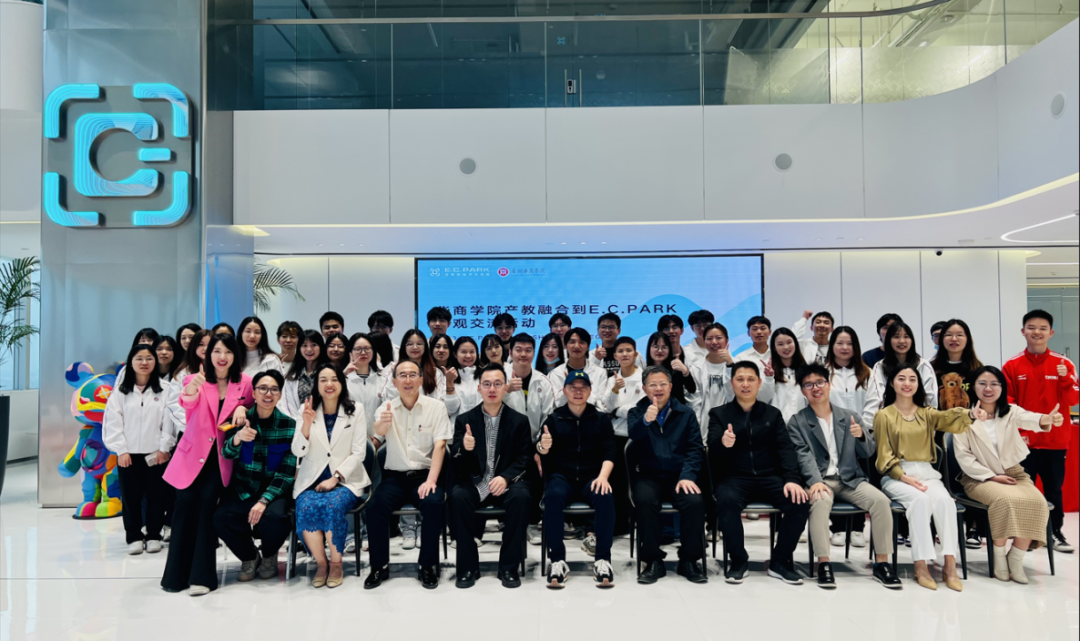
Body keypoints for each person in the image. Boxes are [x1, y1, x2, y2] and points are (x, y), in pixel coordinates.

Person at [786, 364, 900, 589]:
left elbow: (867, 452)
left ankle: (882, 563)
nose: (815, 388)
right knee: (819, 500)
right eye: (808, 385)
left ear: (829, 385)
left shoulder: (850, 416)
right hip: (820, 480)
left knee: (881, 501)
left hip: (850, 479)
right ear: (802, 390)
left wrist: (861, 437)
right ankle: (824, 563)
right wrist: (815, 482)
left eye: (820, 382)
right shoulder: (797, 422)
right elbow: (802, 455)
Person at [874, 365, 984, 591]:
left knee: (945, 502)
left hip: (927, 474)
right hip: (896, 475)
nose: (907, 383)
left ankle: (950, 566)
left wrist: (971, 414)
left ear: (918, 384)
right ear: (892, 383)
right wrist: (903, 477)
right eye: (901, 378)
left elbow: (947, 418)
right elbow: (883, 455)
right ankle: (921, 565)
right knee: (920, 501)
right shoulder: (883, 415)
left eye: (912, 379)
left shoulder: (927, 413)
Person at [954, 365, 1064, 583]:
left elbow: (1030, 418)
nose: (988, 388)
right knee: (1004, 500)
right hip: (979, 477)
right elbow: (964, 457)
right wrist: (992, 477)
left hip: (1013, 473)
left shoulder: (1011, 411)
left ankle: (1016, 556)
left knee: (1037, 501)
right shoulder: (963, 416)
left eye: (994, 384)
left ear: (1002, 387)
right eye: (982, 383)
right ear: (973, 387)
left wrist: (1047, 419)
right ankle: (998, 557)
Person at [161, 333, 252, 596]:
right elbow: (187, 407)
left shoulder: (244, 383)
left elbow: (251, 408)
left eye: (228, 352)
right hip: (191, 456)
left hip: (220, 459)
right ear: (208, 354)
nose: (222, 357)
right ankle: (175, 576)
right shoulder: (194, 379)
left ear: (235, 355)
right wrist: (191, 389)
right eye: (217, 351)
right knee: (184, 505)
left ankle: (202, 577)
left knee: (205, 506)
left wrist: (243, 409)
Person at [709, 361, 809, 586]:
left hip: (769, 477)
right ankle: (738, 561)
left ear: (759, 383)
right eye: (740, 379)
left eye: (750, 379)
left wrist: (792, 480)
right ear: (732, 383)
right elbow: (712, 452)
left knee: (799, 502)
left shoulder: (772, 414)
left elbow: (785, 450)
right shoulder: (719, 414)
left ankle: (780, 561)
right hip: (734, 477)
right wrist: (723, 443)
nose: (745, 384)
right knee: (726, 501)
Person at [365, 361, 453, 590]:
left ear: (421, 380)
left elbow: (441, 445)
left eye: (413, 375)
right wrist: (382, 424)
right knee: (375, 506)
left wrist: (431, 480)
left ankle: (427, 565)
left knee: (433, 504)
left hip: (425, 475)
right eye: (402, 375)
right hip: (394, 477)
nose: (408, 380)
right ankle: (379, 566)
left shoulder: (436, 407)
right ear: (394, 382)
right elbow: (378, 433)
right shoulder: (386, 408)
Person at [449, 363, 533, 589]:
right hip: (476, 482)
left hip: (506, 483)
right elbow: (455, 459)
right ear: (479, 388)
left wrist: (505, 478)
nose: (492, 389)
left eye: (497, 384)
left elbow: (525, 458)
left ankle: (508, 567)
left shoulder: (519, 421)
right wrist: (464, 447)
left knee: (521, 497)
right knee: (458, 496)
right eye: (487, 384)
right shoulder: (465, 420)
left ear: (505, 388)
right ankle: (467, 568)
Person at [1003, 309, 1079, 553]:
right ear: (1023, 331)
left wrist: (1065, 379)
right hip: (1023, 441)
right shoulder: (1012, 365)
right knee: (1023, 491)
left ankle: (1055, 532)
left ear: (1051, 333)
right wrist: (1023, 428)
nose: (1037, 332)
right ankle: (1025, 536)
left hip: (1055, 440)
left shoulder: (1064, 364)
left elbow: (1074, 398)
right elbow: (1007, 404)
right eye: (1032, 327)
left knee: (1053, 489)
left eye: (1043, 328)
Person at [214, 370, 297, 582]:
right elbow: (225, 454)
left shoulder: (290, 425)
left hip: (274, 490)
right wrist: (237, 438)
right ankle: (249, 556)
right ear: (254, 392)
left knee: (277, 518)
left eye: (274, 389)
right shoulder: (239, 420)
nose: (268, 394)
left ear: (280, 395)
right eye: (263, 388)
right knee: (222, 517)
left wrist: (264, 501)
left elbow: (286, 473)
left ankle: (269, 555)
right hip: (244, 486)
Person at [627, 366, 707, 585]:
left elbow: (695, 449)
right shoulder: (636, 412)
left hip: (679, 475)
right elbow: (634, 435)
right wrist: (646, 421)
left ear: (671, 387)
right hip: (648, 475)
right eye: (652, 385)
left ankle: (689, 560)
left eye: (663, 384)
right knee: (644, 501)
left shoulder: (686, 413)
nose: (658, 388)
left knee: (694, 502)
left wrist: (688, 476)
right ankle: (653, 560)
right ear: (644, 388)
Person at [292, 364, 370, 589]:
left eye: (334, 379)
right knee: (305, 506)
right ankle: (321, 563)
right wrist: (306, 426)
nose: (329, 384)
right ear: (316, 385)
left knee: (332, 505)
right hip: (312, 479)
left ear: (342, 383)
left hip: (345, 479)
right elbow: (298, 451)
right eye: (323, 380)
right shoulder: (306, 409)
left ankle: (336, 563)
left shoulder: (355, 409)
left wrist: (336, 477)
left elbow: (359, 453)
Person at [540, 371, 618, 589]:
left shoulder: (600, 419)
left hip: (592, 477)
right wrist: (542, 446)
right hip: (562, 477)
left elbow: (610, 451)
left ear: (590, 391)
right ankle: (557, 560)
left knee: (605, 496)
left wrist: (603, 477)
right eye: (572, 387)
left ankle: (603, 559)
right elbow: (540, 449)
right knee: (552, 496)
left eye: (583, 387)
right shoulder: (554, 419)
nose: (578, 391)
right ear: (564, 391)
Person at [104, 345, 175, 555]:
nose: (144, 362)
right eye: (139, 358)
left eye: (149, 358)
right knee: (130, 498)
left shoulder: (166, 389)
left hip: (156, 454)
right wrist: (121, 450)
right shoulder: (120, 391)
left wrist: (164, 447)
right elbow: (113, 421)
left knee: (156, 497)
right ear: (131, 362)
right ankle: (134, 536)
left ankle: (153, 535)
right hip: (128, 455)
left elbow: (170, 421)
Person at [930, 318, 985, 547]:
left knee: (970, 478)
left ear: (967, 338)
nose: (954, 339)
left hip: (969, 434)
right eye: (949, 335)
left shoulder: (977, 369)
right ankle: (937, 528)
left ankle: (973, 528)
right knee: (938, 481)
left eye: (959, 334)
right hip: (937, 435)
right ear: (941, 339)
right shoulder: (931, 368)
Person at [502, 334, 556, 545]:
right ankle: (507, 520)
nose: (523, 354)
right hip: (503, 445)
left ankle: (532, 523)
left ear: (534, 353)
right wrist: (506, 390)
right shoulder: (500, 377)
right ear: (510, 352)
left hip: (533, 443)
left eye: (528, 350)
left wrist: (538, 448)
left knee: (538, 469)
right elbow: (489, 406)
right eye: (518, 350)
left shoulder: (543, 381)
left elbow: (548, 417)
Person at [603, 336, 646, 542]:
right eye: (620, 351)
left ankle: (641, 522)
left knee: (639, 483)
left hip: (639, 437)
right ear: (615, 355)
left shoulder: (644, 376)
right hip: (617, 437)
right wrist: (615, 391)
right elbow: (606, 406)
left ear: (635, 353)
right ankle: (620, 524)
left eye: (629, 350)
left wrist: (618, 411)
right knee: (617, 484)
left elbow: (641, 409)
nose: (625, 354)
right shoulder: (612, 379)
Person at [862, 321, 939, 429]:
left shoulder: (923, 365)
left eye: (906, 337)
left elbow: (930, 400)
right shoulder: (880, 367)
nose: (902, 341)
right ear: (888, 340)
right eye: (896, 337)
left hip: (918, 425)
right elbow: (876, 398)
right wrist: (869, 427)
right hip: (888, 425)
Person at [548, 328, 609, 411]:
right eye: (572, 342)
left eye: (582, 342)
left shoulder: (600, 373)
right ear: (565, 346)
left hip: (592, 417)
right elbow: (555, 405)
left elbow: (602, 405)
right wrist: (567, 387)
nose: (576, 346)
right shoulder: (555, 374)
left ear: (588, 346)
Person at [344, 333, 384, 449]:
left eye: (367, 348)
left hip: (379, 441)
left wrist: (379, 437)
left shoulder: (383, 379)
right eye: (358, 349)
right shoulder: (343, 380)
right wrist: (343, 375)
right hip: (349, 441)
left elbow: (388, 410)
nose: (363, 352)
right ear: (351, 352)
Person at [692, 322, 735, 427]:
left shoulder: (739, 366)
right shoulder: (696, 369)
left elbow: (735, 394)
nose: (714, 342)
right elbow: (694, 403)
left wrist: (730, 365)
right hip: (704, 424)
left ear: (727, 340)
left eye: (718, 338)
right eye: (709, 338)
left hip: (731, 422)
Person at [283, 330, 327, 419]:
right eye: (304, 345)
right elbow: (290, 407)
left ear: (321, 347)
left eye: (313, 345)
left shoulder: (328, 372)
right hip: (300, 423)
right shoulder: (291, 376)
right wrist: (300, 424)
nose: (309, 349)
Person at [645, 332, 698, 406]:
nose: (660, 350)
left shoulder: (675, 368)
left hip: (676, 411)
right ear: (649, 348)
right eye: (656, 346)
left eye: (664, 347)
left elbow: (692, 389)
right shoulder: (645, 371)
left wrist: (685, 371)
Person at [768, 328, 808, 421]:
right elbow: (764, 398)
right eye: (780, 344)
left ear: (795, 343)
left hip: (801, 424)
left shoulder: (806, 371)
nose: (786, 347)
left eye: (789, 342)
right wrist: (768, 378)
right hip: (777, 424)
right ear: (774, 347)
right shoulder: (769, 371)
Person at [452, 336, 483, 417]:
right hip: (456, 424)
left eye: (472, 352)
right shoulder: (449, 376)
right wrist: (449, 382)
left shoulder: (485, 375)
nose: (468, 356)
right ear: (455, 354)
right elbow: (450, 410)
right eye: (463, 352)